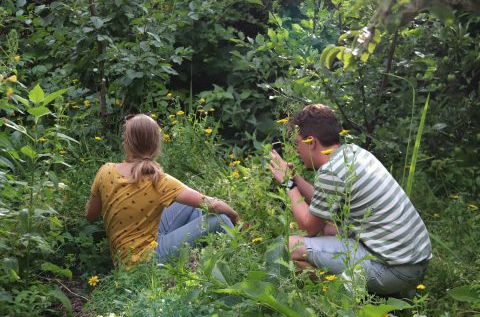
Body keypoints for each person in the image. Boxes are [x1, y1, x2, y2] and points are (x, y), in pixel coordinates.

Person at [269, 104, 431, 295]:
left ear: (311, 142)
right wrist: (295, 178)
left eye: (297, 143)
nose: (296, 150)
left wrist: (287, 184)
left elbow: (308, 227)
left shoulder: (331, 171)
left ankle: (338, 297)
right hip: (413, 262)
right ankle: (375, 292)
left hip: (394, 271)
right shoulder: (352, 153)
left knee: (288, 246)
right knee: (329, 229)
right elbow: (322, 206)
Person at [85, 114, 239, 266]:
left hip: (123, 258)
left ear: (126, 142)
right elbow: (215, 205)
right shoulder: (159, 180)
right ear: (156, 145)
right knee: (222, 220)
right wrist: (236, 218)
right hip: (146, 261)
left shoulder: (105, 171)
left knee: (191, 207)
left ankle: (192, 263)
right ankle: (236, 263)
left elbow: (90, 215)